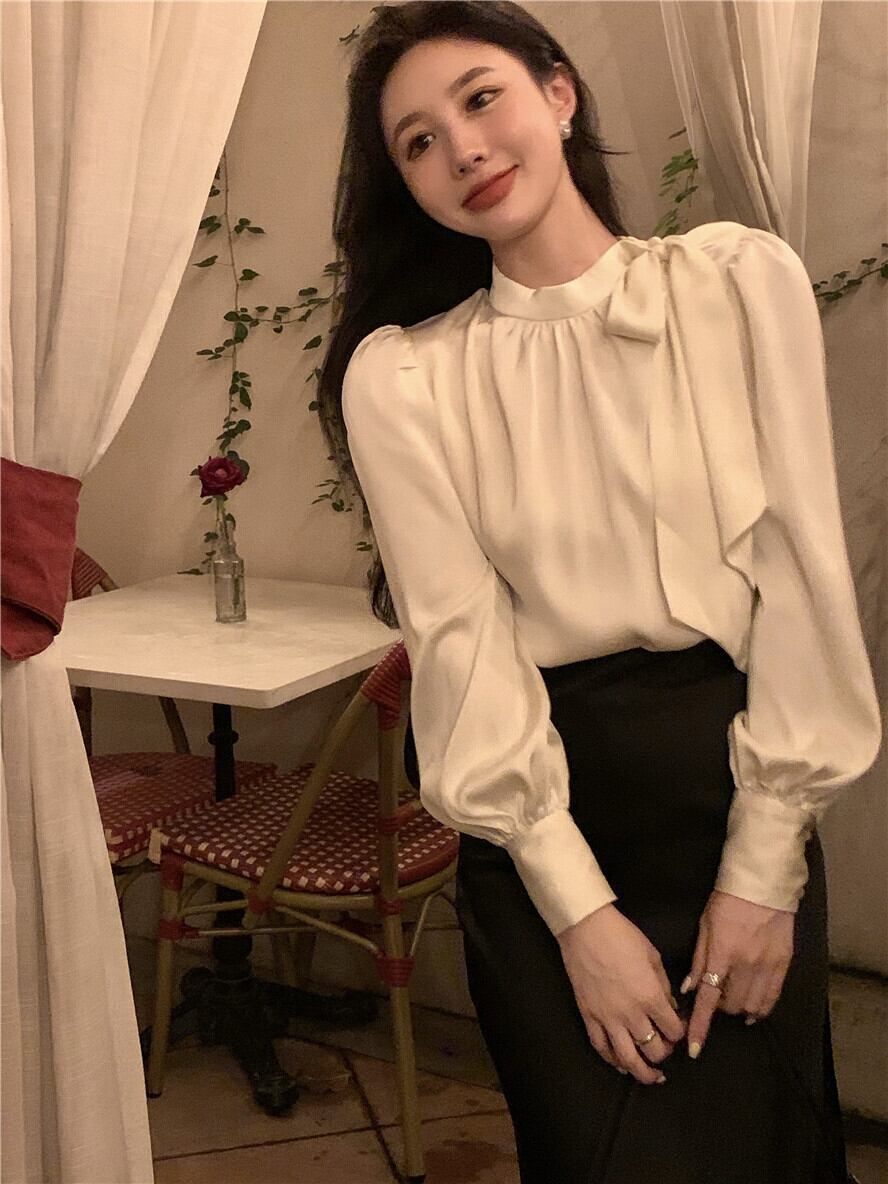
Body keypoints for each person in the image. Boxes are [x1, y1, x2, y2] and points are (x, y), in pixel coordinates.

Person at [315, 4, 882, 1181]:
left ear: (559, 94)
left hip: (735, 788)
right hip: (542, 827)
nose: (464, 149)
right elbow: (463, 643)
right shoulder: (405, 377)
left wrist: (762, 868)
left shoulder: (736, 283)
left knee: (770, 1149)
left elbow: (801, 575)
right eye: (418, 142)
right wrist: (578, 914)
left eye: (480, 98)